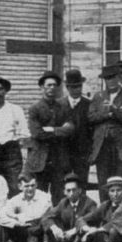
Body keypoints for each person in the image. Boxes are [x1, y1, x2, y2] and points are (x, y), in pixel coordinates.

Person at [90, 65, 122, 192]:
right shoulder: (98, 96)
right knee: (103, 182)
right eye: (107, 79)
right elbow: (91, 117)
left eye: (113, 78)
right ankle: (104, 210)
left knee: (121, 180)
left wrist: (115, 110)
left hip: (121, 146)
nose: (110, 81)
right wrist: (107, 114)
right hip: (102, 145)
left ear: (118, 78)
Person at [26, 71, 74, 205]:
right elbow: (37, 133)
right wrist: (60, 130)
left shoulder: (64, 107)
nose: (52, 88)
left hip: (59, 159)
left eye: (54, 85)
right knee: (39, 195)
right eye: (48, 85)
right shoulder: (34, 108)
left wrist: (52, 129)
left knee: (59, 196)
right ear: (42, 87)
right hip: (41, 159)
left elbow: (70, 129)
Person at [41, 174, 103, 242]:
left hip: (82, 241)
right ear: (64, 192)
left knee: (83, 232)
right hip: (66, 239)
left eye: (74, 190)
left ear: (80, 190)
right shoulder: (63, 202)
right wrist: (55, 229)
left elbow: (91, 221)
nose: (71, 193)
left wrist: (74, 231)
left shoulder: (89, 203)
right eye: (68, 190)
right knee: (51, 225)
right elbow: (46, 217)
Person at [0, 173, 50, 242]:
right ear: (20, 187)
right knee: (2, 226)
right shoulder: (16, 199)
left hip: (38, 231)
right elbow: (0, 217)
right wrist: (16, 222)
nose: (30, 189)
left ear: (36, 185)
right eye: (26, 186)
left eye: (32, 185)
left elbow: (39, 215)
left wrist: (18, 217)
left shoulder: (44, 197)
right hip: (22, 229)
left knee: (41, 222)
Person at [63, 69, 94, 187]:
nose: (77, 90)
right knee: (64, 185)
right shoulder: (59, 104)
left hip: (82, 153)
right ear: (67, 87)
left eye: (79, 86)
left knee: (81, 184)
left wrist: (90, 152)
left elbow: (92, 130)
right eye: (73, 87)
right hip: (64, 153)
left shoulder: (89, 105)